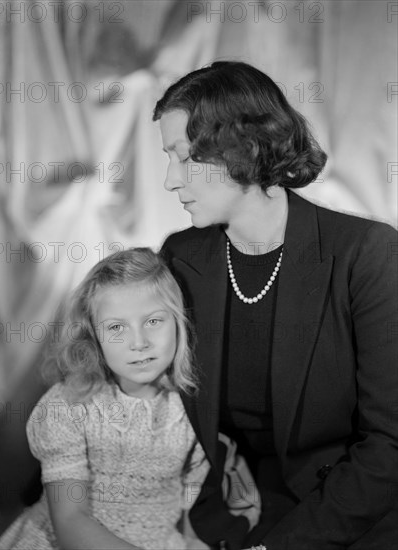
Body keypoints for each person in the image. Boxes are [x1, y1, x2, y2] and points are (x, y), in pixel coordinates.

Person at [154, 61, 398, 550]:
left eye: (184, 157)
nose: (170, 180)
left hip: (345, 510)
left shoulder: (366, 253)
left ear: (241, 148)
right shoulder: (182, 256)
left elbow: (390, 444)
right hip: (228, 506)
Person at [0, 248, 211, 550]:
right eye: (117, 327)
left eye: (153, 321)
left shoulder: (194, 407)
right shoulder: (69, 406)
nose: (139, 342)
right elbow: (71, 523)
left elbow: (189, 493)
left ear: (178, 321)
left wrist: (192, 540)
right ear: (93, 336)